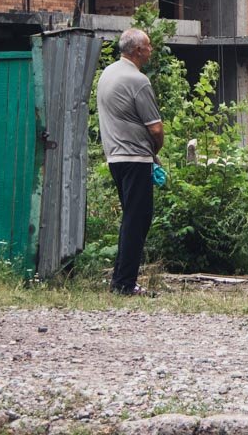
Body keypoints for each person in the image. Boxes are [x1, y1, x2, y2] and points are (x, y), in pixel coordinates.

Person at [96, 28, 164, 295]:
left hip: (114, 156)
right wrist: (155, 150)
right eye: (148, 45)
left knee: (130, 218)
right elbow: (156, 129)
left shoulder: (108, 73)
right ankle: (124, 283)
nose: (151, 49)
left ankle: (121, 280)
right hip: (136, 157)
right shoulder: (138, 81)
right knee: (138, 220)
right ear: (137, 51)